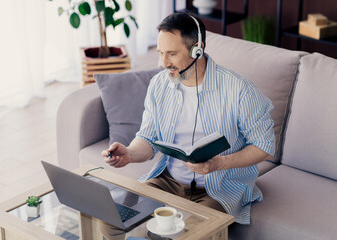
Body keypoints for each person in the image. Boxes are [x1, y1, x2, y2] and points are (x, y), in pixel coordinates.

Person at [102, 12, 275, 225]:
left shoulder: (240, 90)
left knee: (190, 233)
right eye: (160, 53)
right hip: (168, 181)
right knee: (113, 221)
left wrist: (219, 163)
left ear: (197, 49)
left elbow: (264, 146)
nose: (163, 63)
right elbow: (147, 137)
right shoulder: (159, 84)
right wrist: (129, 153)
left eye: (172, 54)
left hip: (219, 187)